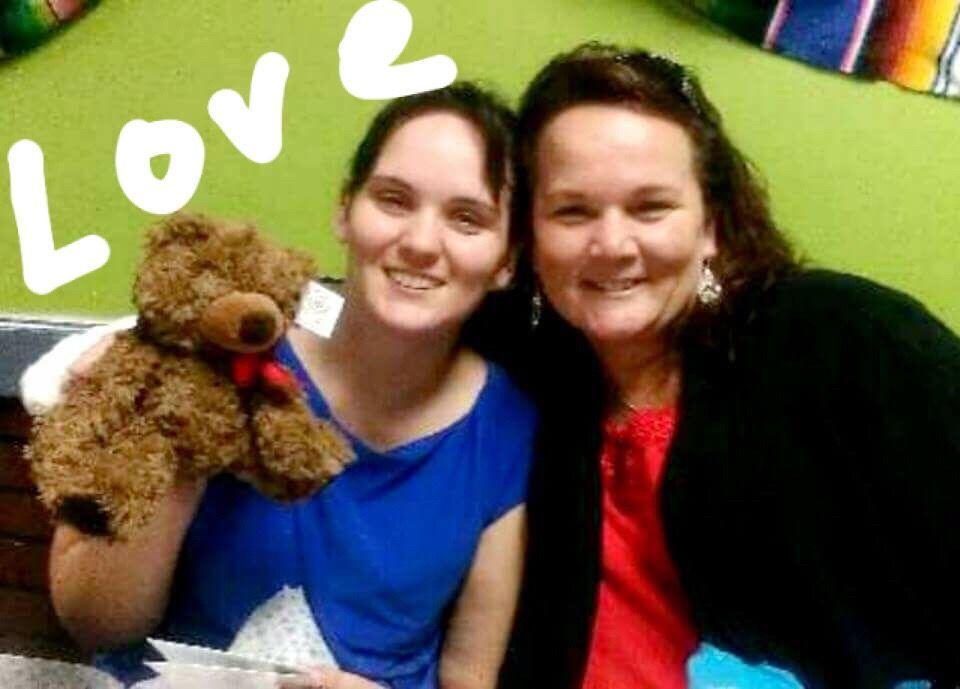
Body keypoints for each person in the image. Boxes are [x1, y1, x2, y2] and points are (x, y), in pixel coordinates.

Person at [28, 83, 536, 689]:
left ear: (507, 259)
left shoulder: (507, 427)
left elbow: (468, 677)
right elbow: (93, 621)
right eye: (394, 200)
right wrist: (184, 440)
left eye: (467, 218)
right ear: (345, 210)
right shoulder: (222, 342)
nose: (422, 243)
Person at [500, 43, 960, 689]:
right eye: (572, 211)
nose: (610, 244)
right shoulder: (518, 367)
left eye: (650, 207)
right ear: (528, 234)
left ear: (711, 224)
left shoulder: (848, 341)